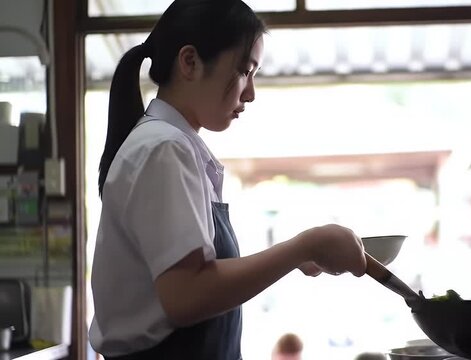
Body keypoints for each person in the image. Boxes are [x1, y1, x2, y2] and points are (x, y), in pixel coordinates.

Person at [88, 1, 367, 359]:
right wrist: (304, 246)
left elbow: (199, 279)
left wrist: (295, 258)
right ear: (189, 62)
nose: (250, 93)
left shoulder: (171, 144)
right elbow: (187, 296)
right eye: (243, 71)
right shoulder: (164, 148)